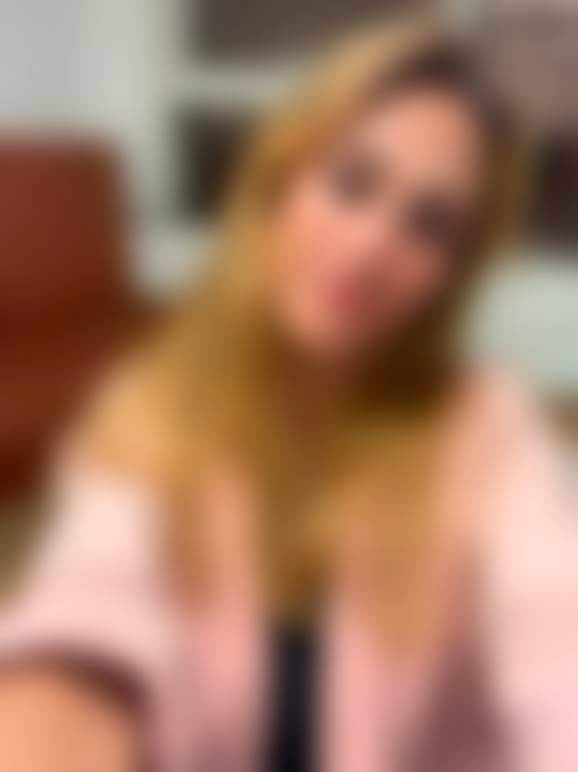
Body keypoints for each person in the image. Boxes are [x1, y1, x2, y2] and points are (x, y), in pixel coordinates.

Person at [1, 16, 577, 772]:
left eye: (430, 225)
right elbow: (87, 607)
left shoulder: (490, 423)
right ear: (280, 180)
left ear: (453, 272)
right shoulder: (153, 401)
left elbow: (556, 635)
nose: (371, 246)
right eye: (352, 182)